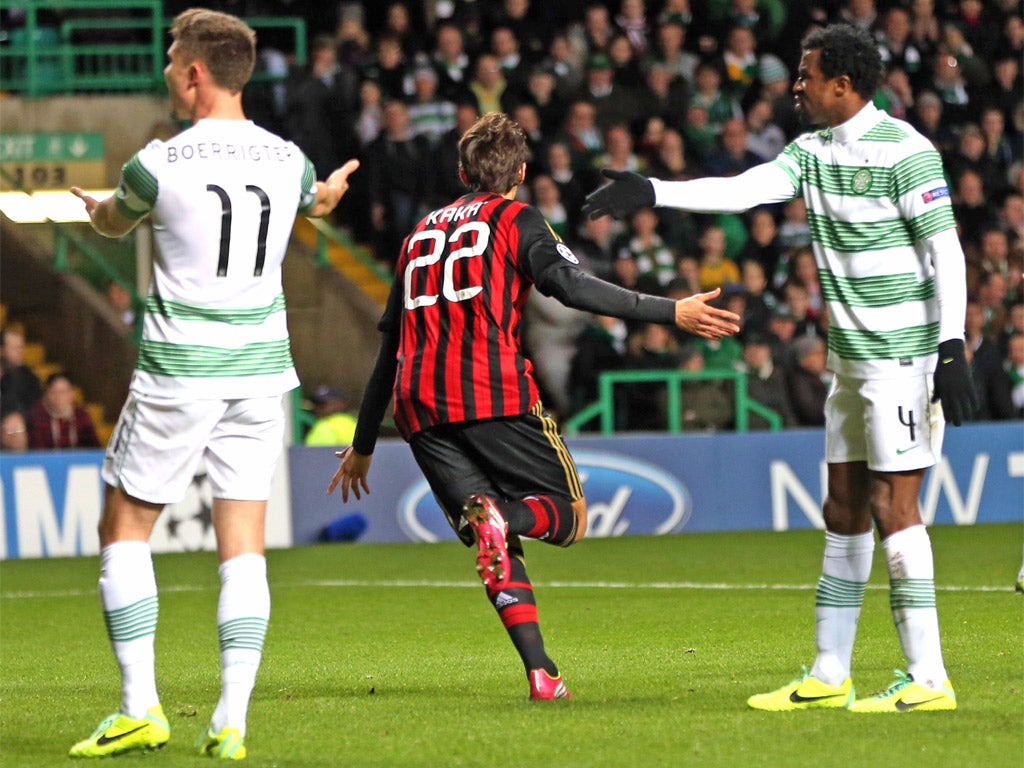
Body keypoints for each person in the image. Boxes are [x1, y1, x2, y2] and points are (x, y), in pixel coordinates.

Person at [583, 23, 976, 713]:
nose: (796, 85)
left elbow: (947, 251)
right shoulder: (811, 152)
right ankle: (830, 672)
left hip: (902, 358)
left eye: (807, 74)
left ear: (843, 84)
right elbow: (744, 191)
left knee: (894, 508)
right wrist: (652, 189)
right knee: (843, 509)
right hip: (850, 364)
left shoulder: (907, 151)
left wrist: (951, 346)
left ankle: (930, 678)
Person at [328, 111, 740, 700]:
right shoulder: (518, 219)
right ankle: (505, 521)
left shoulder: (418, 233)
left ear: (462, 170)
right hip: (490, 391)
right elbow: (570, 287)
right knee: (568, 517)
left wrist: (365, 444)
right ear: (521, 172)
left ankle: (542, 673)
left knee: (490, 530)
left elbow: (390, 345)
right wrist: (668, 310)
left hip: (418, 407)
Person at [67, 8, 359, 759]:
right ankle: (231, 718)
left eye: (172, 61)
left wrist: (94, 208)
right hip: (263, 374)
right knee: (244, 548)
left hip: (180, 371)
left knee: (125, 530)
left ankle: (141, 707)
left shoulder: (158, 163)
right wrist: (328, 190)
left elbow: (112, 222)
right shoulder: (286, 159)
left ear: (196, 73)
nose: (167, 72)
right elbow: (315, 203)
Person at [27, 371, 101, 450]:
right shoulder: (37, 417)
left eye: (62, 392)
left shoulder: (82, 416)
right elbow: (37, 450)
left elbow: (94, 448)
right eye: (53, 392)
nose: (58, 397)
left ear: (71, 394)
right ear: (46, 394)